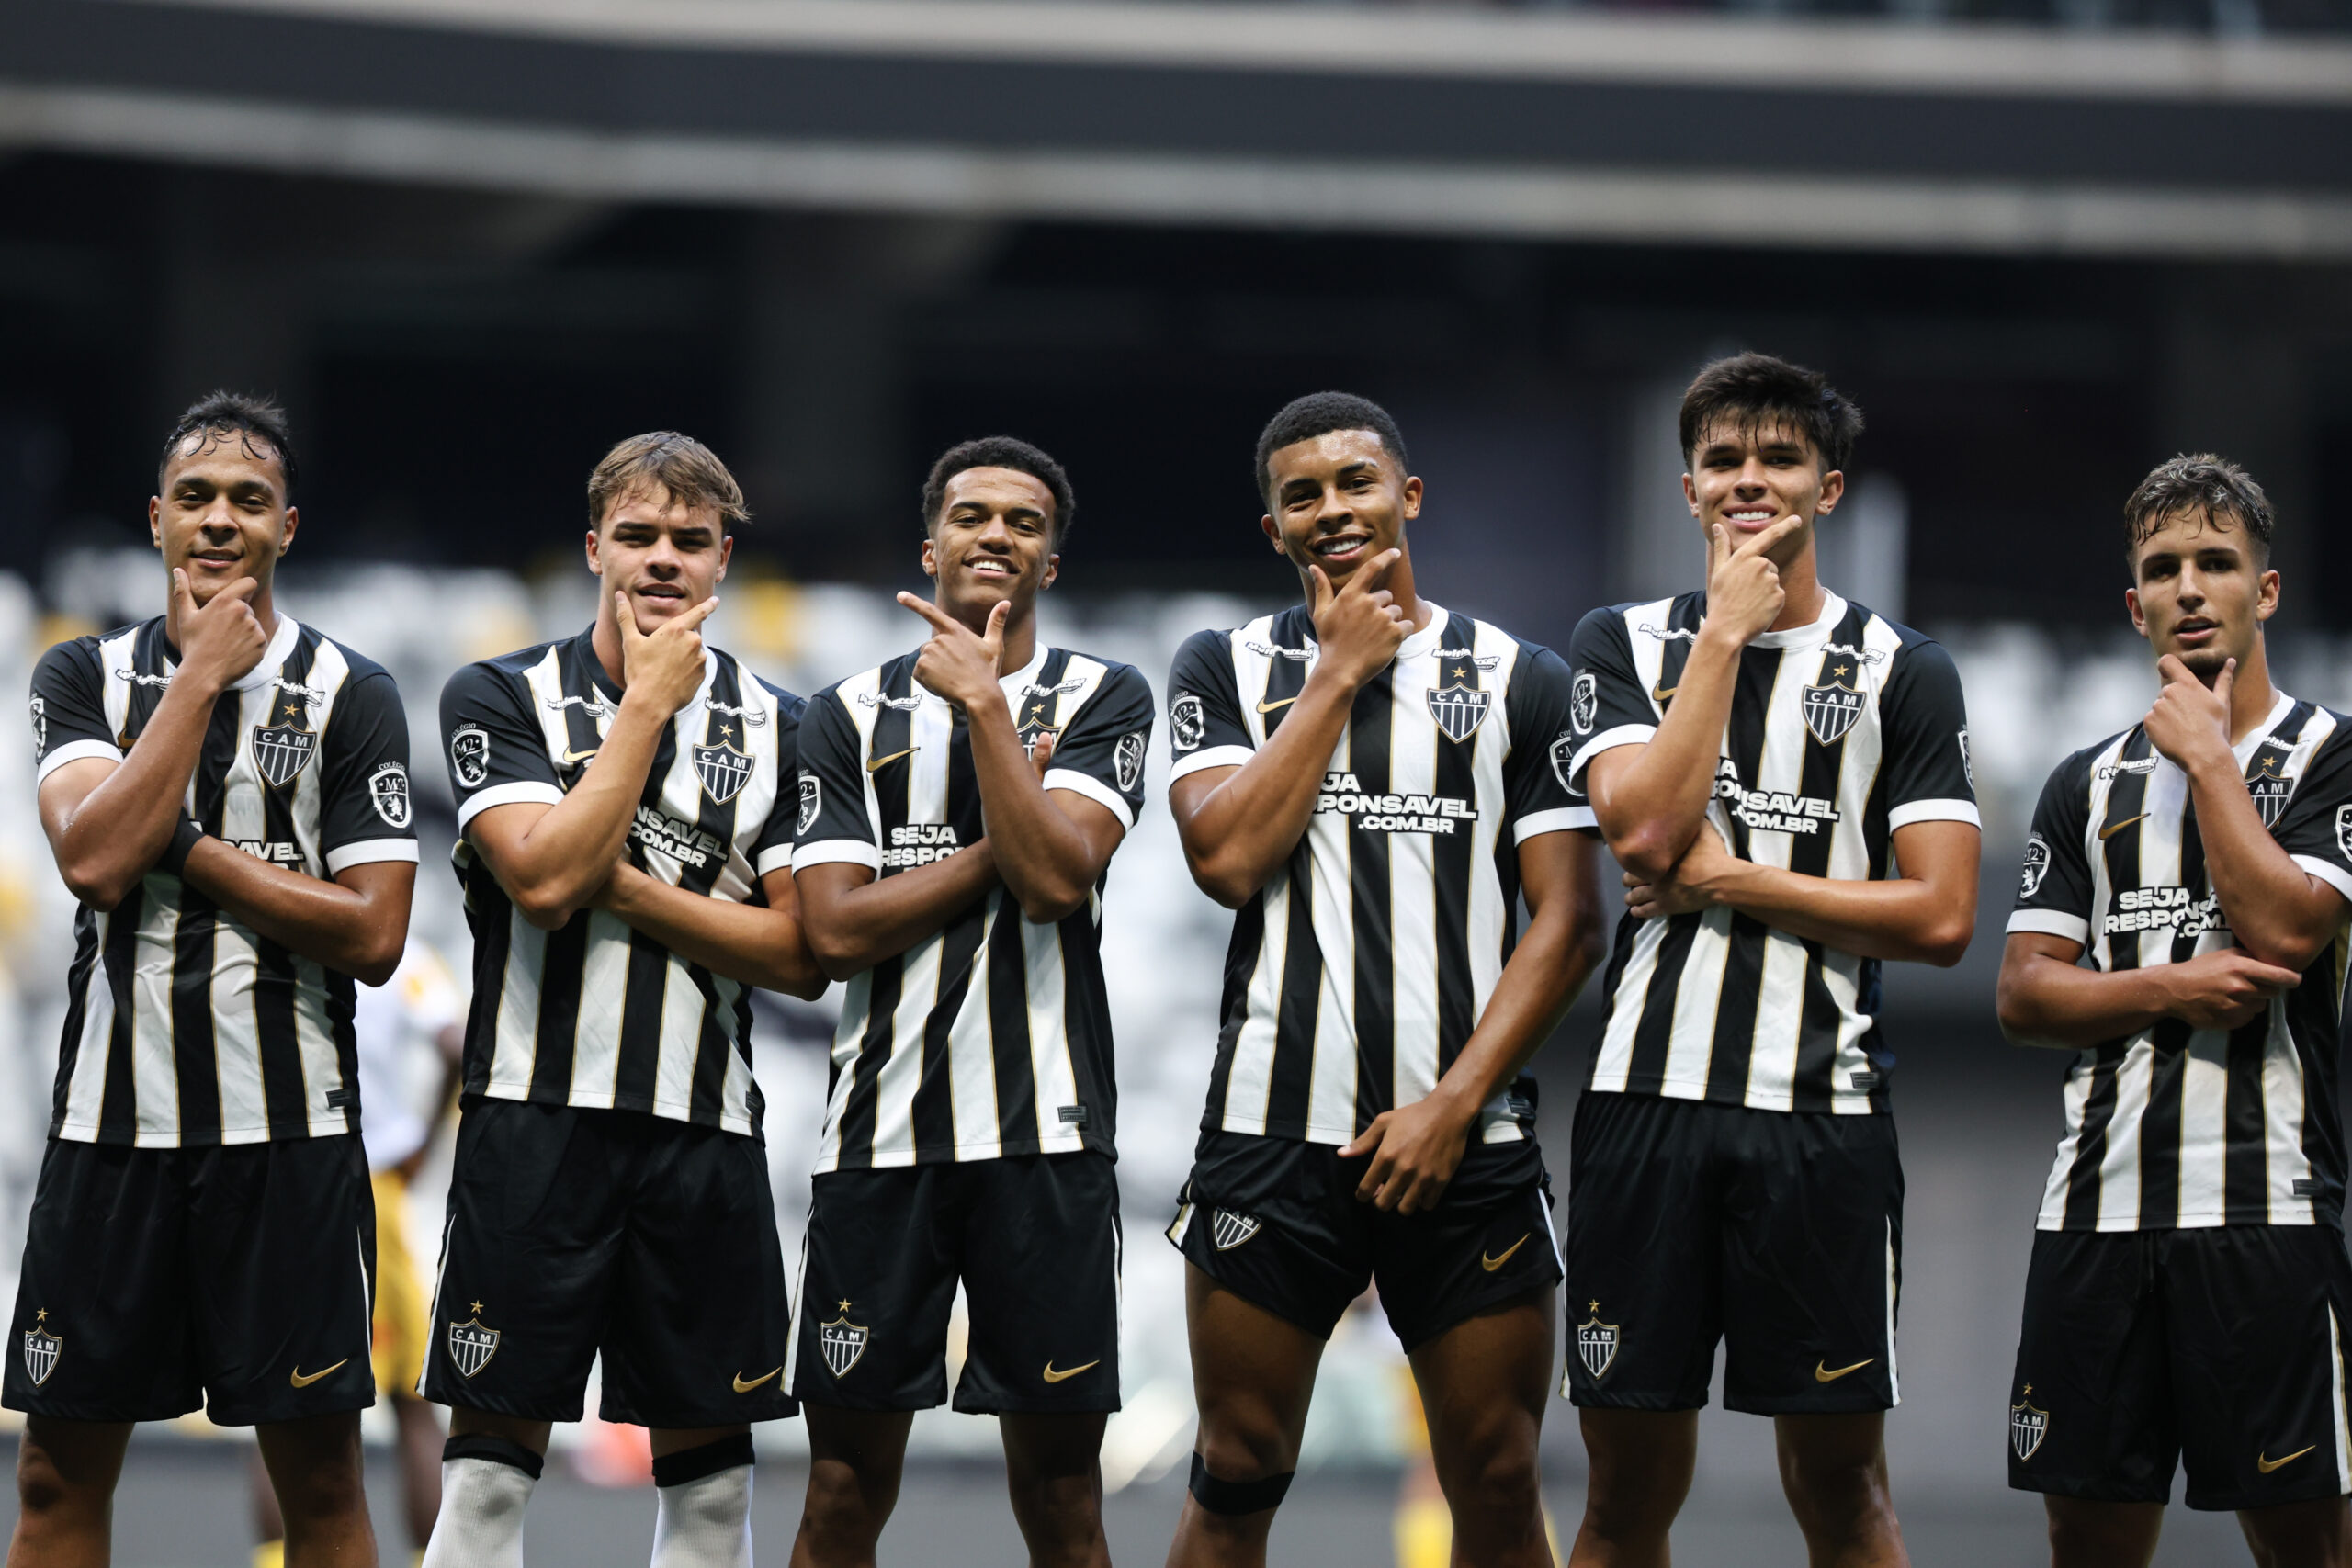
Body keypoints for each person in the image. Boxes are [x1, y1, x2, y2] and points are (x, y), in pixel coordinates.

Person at [1160, 391, 1607, 1568]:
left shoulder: (1520, 677)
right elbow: (1225, 860)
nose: (1331, 510)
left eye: (1355, 483)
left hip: (1466, 1143)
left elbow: (1567, 926)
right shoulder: (1223, 665)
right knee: (1235, 1475)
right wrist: (1337, 676)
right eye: (1300, 495)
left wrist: (1452, 1105)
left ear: (1406, 497)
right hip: (1272, 1132)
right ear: (1275, 532)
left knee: (1501, 1480)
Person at [1562, 353, 1980, 1568]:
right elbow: (1640, 827)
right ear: (1689, 486)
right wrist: (1727, 630)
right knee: (1620, 1501)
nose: (1752, 478)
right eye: (1726, 459)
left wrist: (1732, 879)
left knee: (1844, 1494)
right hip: (1647, 1107)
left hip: (1821, 1113)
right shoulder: (1620, 640)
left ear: (1829, 487)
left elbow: (1945, 915)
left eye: (1780, 457)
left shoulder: (1906, 669)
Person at [6, 391, 418, 1567]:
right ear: (155, 520)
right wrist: (197, 681)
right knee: (52, 1478)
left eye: (249, 499)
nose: (221, 519)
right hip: (107, 1134)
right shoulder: (80, 674)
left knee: (321, 1488)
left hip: (286, 1140)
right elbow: (88, 859)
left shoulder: (355, 694)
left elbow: (376, 933)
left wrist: (181, 847)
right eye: (196, 497)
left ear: (288, 525)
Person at [421, 432, 828, 1568]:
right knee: (487, 1492)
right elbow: (544, 885)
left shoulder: (788, 728)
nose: (662, 560)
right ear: (595, 546)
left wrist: (619, 878)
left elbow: (802, 957)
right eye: (639, 536)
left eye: (689, 542)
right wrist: (646, 708)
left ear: (722, 561)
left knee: (710, 1498)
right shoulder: (499, 692)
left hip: (704, 1137)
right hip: (530, 1123)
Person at [786, 436, 1151, 1568]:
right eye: (973, 515)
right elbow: (837, 930)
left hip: (1045, 1141)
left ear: (1050, 560)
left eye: (1024, 523)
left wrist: (988, 713)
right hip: (879, 1139)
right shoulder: (846, 710)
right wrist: (1015, 830)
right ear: (931, 543)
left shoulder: (1105, 695)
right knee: (842, 1492)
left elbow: (1057, 882)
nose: (997, 535)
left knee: (1060, 1498)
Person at [1996, 456, 2352, 1568]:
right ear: (2133, 603)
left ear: (2267, 590)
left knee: (2305, 1547)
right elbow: (2023, 992)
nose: (2189, 588)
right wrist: (2163, 987)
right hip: (2093, 1224)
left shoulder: (2329, 755)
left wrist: (2207, 756)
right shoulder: (2083, 785)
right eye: (2163, 569)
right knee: (2088, 1546)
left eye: (2215, 563)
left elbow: (2286, 931)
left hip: (2267, 1218)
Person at [252, 938, 466, 1568]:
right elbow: (457, 1042)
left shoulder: (267, 927)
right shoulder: (401, 950)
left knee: (274, 1395)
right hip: (371, 1182)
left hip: (280, 1176)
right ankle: (435, 1558)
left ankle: (273, 1560)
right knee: (410, 1402)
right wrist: (424, 1136)